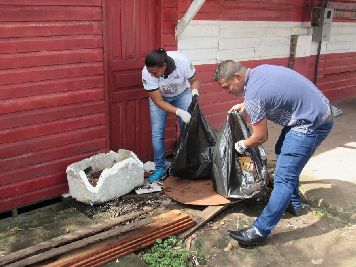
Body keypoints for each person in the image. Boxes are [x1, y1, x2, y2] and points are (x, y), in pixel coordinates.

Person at [213, 61, 334, 246]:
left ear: (237, 77)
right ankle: (293, 203)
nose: (227, 91)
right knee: (280, 150)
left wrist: (242, 144)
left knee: (283, 178)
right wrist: (245, 104)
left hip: (311, 124)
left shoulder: (254, 96)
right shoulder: (259, 72)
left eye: (227, 86)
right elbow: (269, 92)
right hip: (316, 112)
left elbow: (260, 137)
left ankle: (259, 231)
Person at [142, 48, 200, 183]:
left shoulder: (182, 61)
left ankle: (188, 164)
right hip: (161, 98)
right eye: (150, 72)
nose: (152, 75)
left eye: (155, 72)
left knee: (188, 129)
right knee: (157, 132)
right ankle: (160, 168)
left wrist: (195, 92)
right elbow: (158, 101)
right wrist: (179, 112)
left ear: (164, 66)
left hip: (182, 94)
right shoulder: (147, 73)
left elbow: (195, 80)